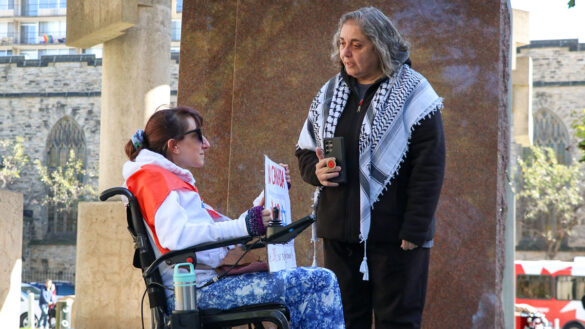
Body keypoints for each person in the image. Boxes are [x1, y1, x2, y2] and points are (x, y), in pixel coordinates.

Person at [123, 106, 345, 329]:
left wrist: (267, 200)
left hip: (202, 287)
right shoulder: (155, 180)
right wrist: (244, 226)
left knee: (311, 284)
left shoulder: (165, 180)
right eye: (198, 136)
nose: (206, 144)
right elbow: (178, 239)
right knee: (320, 281)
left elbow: (224, 229)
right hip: (194, 293)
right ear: (174, 145)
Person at [296, 7, 445, 329]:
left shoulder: (414, 92)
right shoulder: (329, 93)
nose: (345, 53)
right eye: (341, 43)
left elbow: (429, 167)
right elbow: (305, 151)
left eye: (357, 45)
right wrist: (315, 172)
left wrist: (415, 231)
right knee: (346, 321)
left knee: (398, 322)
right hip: (339, 234)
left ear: (380, 46)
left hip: (396, 236)